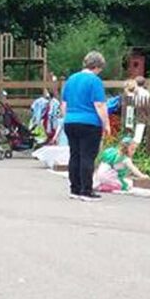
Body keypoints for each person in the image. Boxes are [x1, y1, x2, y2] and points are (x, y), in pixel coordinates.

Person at [61, 52, 110, 202]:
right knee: (87, 156)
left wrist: (67, 118)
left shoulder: (71, 79)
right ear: (98, 66)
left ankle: (74, 188)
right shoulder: (95, 81)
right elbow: (99, 105)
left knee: (74, 155)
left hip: (70, 120)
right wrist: (106, 124)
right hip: (89, 122)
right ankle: (86, 190)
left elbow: (64, 104)